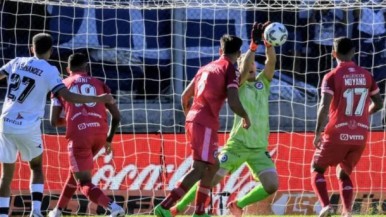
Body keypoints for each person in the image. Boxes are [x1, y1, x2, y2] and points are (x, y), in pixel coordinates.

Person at [168, 22, 279, 217]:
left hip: (259, 147)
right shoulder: (239, 83)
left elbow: (271, 63)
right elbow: (243, 71)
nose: (251, 64)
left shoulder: (263, 83)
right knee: (209, 180)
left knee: (272, 185)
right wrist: (252, 48)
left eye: (253, 62)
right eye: (246, 61)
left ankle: (238, 204)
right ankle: (178, 208)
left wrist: (268, 44)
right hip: (237, 145)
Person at [0, 33, 114, 217]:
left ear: (31, 48)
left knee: (6, 174)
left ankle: (3, 214)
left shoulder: (16, 61)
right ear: (51, 51)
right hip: (28, 125)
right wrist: (97, 98)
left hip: (6, 121)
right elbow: (67, 96)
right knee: (36, 167)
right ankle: (36, 211)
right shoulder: (50, 70)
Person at [154, 34, 251, 217]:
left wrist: (191, 118)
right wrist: (245, 115)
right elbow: (233, 99)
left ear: (219, 50)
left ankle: (199, 212)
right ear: (238, 54)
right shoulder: (230, 69)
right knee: (199, 167)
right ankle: (164, 207)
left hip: (195, 118)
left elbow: (184, 97)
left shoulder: (205, 67)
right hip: (204, 122)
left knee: (212, 166)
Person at [311, 37, 383, 217]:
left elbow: (324, 106)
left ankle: (326, 206)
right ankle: (347, 211)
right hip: (360, 135)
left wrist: (318, 132)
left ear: (333, 53)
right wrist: (365, 114)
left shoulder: (332, 76)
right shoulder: (367, 75)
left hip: (337, 132)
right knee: (343, 173)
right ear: (353, 53)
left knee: (317, 168)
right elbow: (379, 103)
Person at [47, 53, 124, 217]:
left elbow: (53, 121)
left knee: (83, 181)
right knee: (75, 173)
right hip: (100, 133)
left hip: (80, 134)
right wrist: (109, 140)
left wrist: (70, 119)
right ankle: (57, 211)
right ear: (86, 67)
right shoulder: (99, 84)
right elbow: (117, 116)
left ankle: (113, 208)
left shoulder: (61, 85)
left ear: (68, 69)